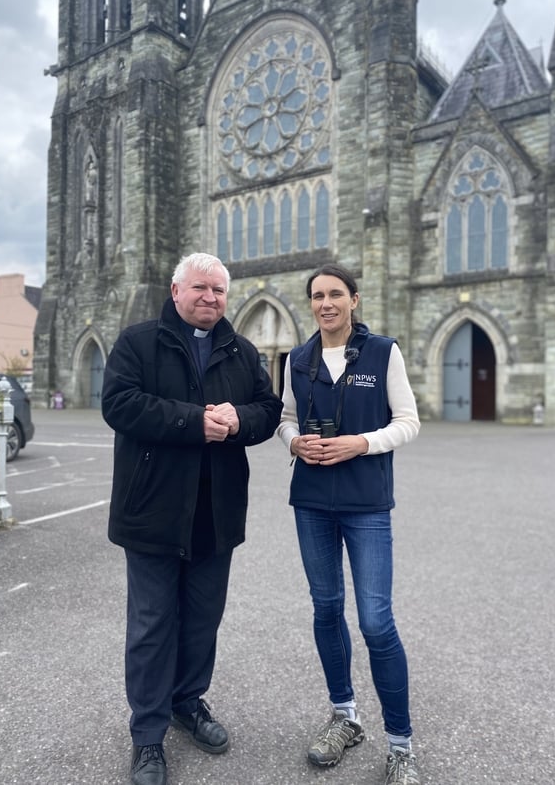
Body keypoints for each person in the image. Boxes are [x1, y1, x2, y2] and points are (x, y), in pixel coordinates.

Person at [102, 252, 282, 785]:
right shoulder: (139, 342)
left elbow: (269, 411)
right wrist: (192, 422)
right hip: (153, 511)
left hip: (215, 512)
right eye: (201, 288)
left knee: (202, 620)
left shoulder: (241, 350)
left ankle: (187, 702)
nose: (211, 298)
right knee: (153, 625)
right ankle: (148, 736)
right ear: (176, 290)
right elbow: (119, 403)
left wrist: (239, 419)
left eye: (220, 291)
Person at [276, 263, 421, 785]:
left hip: (366, 502)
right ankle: (345, 717)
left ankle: (401, 746)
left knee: (377, 622)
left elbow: (408, 421)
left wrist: (362, 442)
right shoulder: (297, 358)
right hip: (312, 500)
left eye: (336, 294)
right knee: (326, 608)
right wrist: (292, 441)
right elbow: (285, 416)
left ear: (354, 301)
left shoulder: (383, 352)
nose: (326, 303)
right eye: (317, 296)